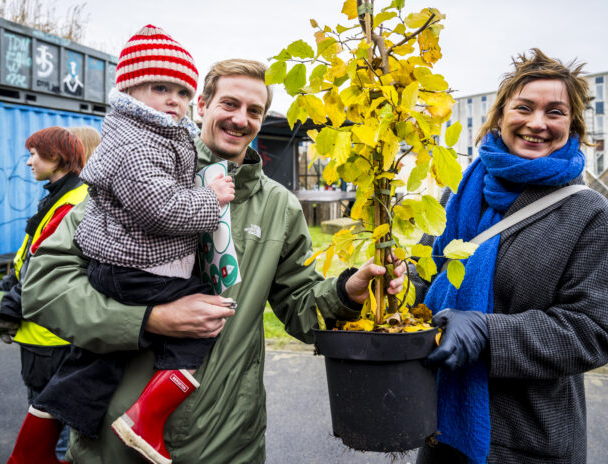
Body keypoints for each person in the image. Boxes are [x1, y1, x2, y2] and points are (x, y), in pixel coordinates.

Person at [21, 58, 405, 463]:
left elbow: (300, 307)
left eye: (254, 110)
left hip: (226, 444)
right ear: (202, 104)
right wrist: (149, 319)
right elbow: (45, 287)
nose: (241, 119)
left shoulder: (279, 207)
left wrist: (347, 292)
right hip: (114, 446)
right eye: (230, 104)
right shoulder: (142, 174)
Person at [7, 25, 237, 464]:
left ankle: (34, 439)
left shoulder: (149, 136)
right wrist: (212, 199)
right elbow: (162, 208)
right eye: (160, 87)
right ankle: (145, 420)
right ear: (130, 90)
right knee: (205, 321)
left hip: (124, 267)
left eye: (182, 92)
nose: (175, 100)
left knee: (96, 360)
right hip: (137, 269)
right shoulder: (137, 144)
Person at [412, 49, 608, 464]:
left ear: (573, 126)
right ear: (499, 117)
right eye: (524, 107)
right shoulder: (456, 197)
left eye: (555, 112)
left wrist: (487, 333)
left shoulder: (591, 217)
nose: (537, 123)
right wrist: (391, 285)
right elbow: (426, 278)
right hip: (439, 429)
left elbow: (594, 330)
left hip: (528, 443)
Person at [0, 126, 87, 461]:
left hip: (52, 339)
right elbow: (25, 260)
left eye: (34, 153)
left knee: (55, 434)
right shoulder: (56, 196)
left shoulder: (72, 202)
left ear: (56, 157)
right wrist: (2, 292)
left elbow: (42, 273)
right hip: (41, 336)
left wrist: (5, 304)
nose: (29, 162)